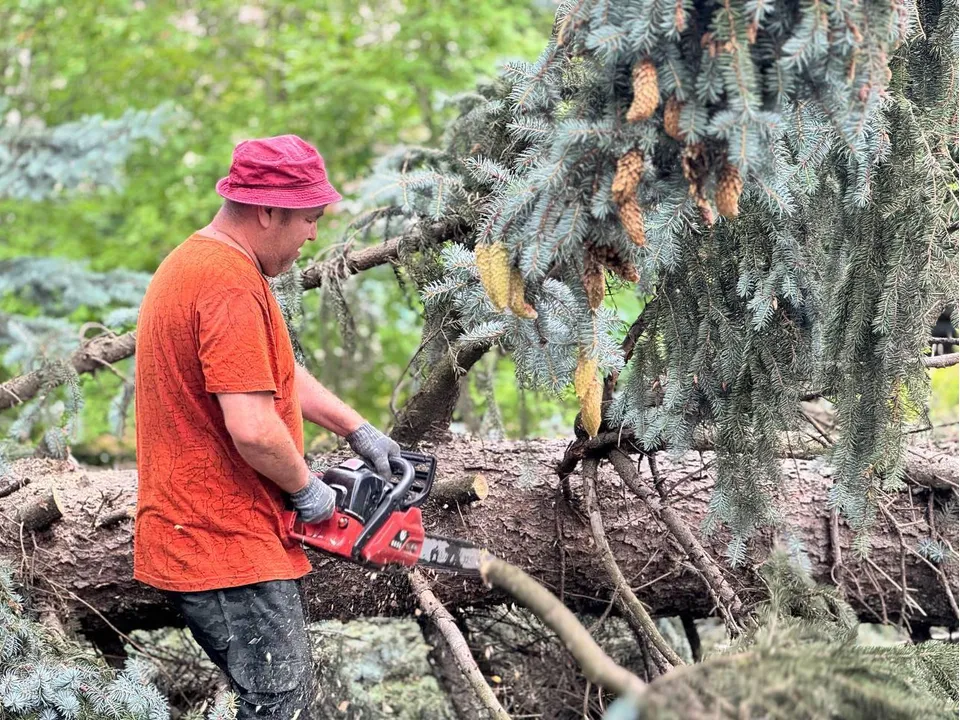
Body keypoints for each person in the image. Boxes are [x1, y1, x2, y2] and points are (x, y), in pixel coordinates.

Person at [133, 134, 401, 718]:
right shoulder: (225, 282)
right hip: (222, 542)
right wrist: (306, 490)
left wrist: (355, 427)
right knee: (280, 707)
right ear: (268, 210)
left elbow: (271, 375)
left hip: (215, 534)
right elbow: (253, 427)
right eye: (310, 218)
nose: (312, 235)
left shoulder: (205, 264)